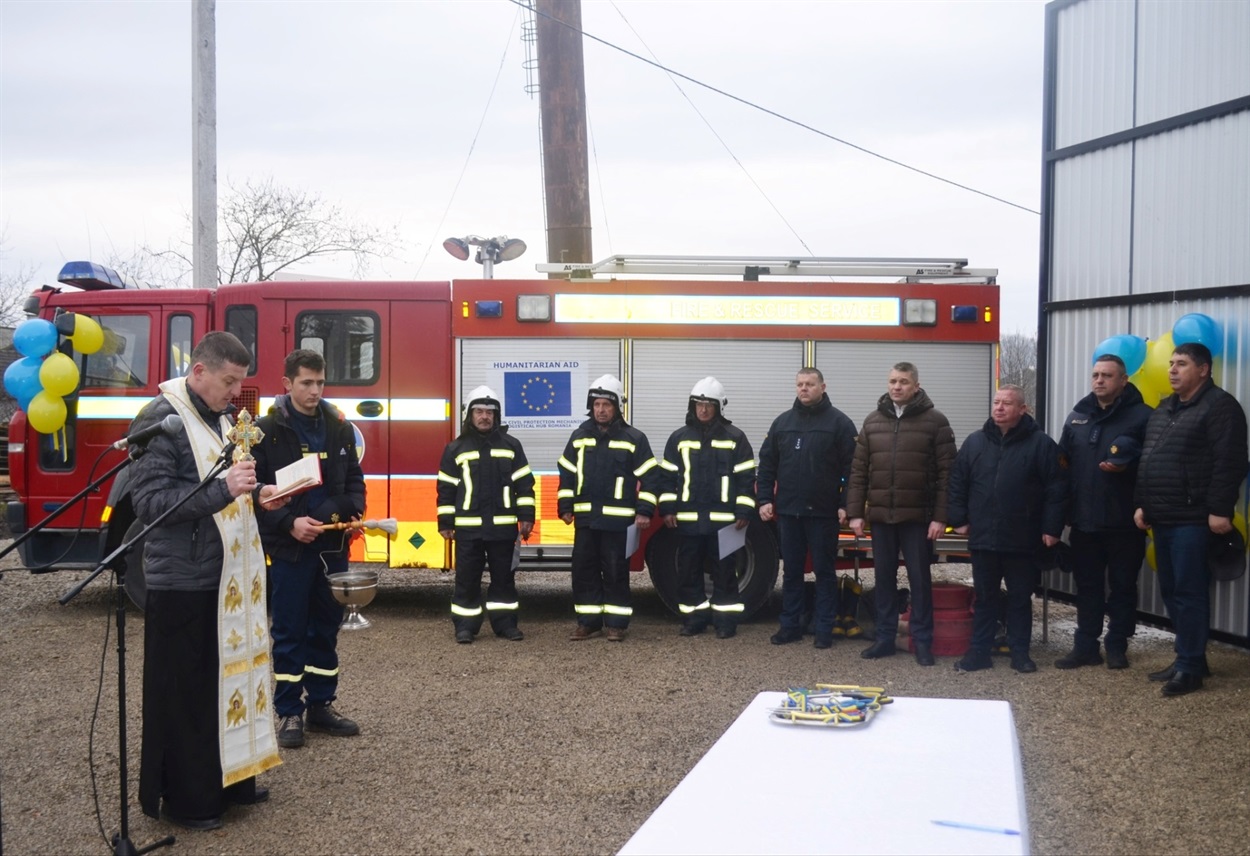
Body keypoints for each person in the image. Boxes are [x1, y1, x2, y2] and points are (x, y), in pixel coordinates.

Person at [129, 331, 287, 830]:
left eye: (239, 383)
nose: (234, 394)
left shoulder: (216, 418)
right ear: (198, 372)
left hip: (224, 580)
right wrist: (224, 490)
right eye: (228, 382)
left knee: (226, 683)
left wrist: (258, 493)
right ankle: (189, 800)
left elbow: (222, 484)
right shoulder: (162, 420)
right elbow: (150, 506)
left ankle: (231, 780)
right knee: (187, 694)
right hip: (183, 582)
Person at [252, 349, 366, 749]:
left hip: (332, 549)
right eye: (306, 383)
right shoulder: (266, 432)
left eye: (320, 383)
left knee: (326, 629)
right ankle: (289, 713)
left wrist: (332, 509)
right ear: (287, 384)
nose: (315, 390)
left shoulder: (338, 428)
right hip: (290, 550)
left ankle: (321, 706)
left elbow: (356, 485)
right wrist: (288, 524)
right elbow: (252, 497)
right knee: (288, 632)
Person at [1134, 342, 1248, 697]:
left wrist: (1219, 509)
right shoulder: (1165, 407)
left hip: (1194, 518)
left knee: (1189, 591)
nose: (1172, 370)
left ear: (1203, 369)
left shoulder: (1221, 407)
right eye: (1170, 363)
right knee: (1172, 590)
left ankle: (1189, 668)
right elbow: (1148, 459)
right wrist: (1142, 503)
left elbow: (1228, 462)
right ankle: (1190, 657)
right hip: (1162, 517)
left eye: (1181, 364)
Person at [947, 384, 1066, 674]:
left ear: (1023, 409)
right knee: (985, 598)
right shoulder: (975, 443)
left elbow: (1057, 489)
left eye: (1007, 404)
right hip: (984, 539)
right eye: (996, 402)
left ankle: (1020, 653)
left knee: (1019, 598)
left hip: (1023, 539)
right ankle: (979, 652)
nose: (999, 408)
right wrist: (959, 519)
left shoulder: (1042, 444)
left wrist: (1052, 528)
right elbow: (957, 482)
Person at [846, 362, 956, 666]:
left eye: (904, 382)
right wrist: (856, 513)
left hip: (918, 519)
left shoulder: (936, 422)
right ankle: (885, 638)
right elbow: (858, 472)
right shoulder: (872, 422)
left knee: (920, 581)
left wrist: (940, 517)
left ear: (916, 386)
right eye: (893, 381)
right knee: (883, 580)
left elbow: (948, 475)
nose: (897, 387)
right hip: (881, 517)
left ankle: (922, 642)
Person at [1056, 354, 1151, 671]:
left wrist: (1127, 467)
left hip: (1124, 523)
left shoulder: (1143, 417)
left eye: (1107, 375)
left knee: (1123, 588)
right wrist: (1065, 511)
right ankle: (1085, 647)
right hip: (1084, 522)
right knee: (1088, 588)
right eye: (1095, 374)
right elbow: (1063, 467)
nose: (1099, 380)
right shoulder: (1078, 417)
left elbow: (1151, 469)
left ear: (1123, 380)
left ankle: (1117, 646)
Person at [757, 367, 857, 649]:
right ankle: (791, 625)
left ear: (822, 387)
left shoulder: (840, 424)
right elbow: (767, 465)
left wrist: (845, 504)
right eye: (800, 384)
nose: (804, 389)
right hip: (789, 512)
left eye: (810, 384)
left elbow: (853, 470)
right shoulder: (782, 423)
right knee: (792, 572)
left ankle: (825, 628)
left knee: (824, 572)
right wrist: (765, 499)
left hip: (824, 514)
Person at [557, 374, 661, 641]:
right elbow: (567, 473)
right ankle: (589, 623)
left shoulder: (634, 438)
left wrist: (645, 510)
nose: (601, 410)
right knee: (584, 571)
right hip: (586, 520)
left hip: (618, 522)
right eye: (597, 404)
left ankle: (616, 625)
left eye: (607, 405)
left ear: (617, 408)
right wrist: (566, 505)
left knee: (616, 572)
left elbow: (651, 477)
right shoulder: (579, 436)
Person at [657, 377, 756, 639]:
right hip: (688, 520)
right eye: (698, 404)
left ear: (719, 407)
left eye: (708, 405)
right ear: (692, 406)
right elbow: (667, 478)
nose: (703, 409)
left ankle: (725, 622)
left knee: (725, 572)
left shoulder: (736, 438)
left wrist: (744, 511)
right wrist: (667, 509)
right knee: (688, 572)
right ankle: (694, 619)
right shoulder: (678, 438)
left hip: (724, 522)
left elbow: (747, 479)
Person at [437, 385, 536, 644]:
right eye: (479, 411)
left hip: (503, 528)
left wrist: (526, 517)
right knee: (467, 580)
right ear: (469, 415)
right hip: (468, 529)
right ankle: (465, 627)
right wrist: (445, 522)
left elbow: (525, 485)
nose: (484, 416)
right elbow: (446, 489)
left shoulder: (512, 446)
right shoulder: (455, 448)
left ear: (497, 416)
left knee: (504, 579)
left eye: (490, 412)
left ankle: (505, 626)